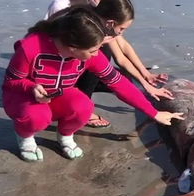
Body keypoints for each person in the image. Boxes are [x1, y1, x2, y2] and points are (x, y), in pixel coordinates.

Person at [2, 5, 183, 162]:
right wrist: (31, 87)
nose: (97, 55)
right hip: (23, 97)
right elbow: (11, 82)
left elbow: (117, 82)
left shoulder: (88, 54)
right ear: (73, 48)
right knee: (37, 117)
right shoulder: (31, 48)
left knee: (84, 106)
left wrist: (154, 112)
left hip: (58, 95)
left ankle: (65, 136)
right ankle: (25, 137)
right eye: (93, 50)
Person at [45, 0, 172, 128]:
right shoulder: (66, 10)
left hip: (77, 63)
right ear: (110, 23)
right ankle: (79, 102)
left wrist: (146, 78)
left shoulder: (100, 18)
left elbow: (121, 56)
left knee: (123, 78)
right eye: (121, 28)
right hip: (55, 68)